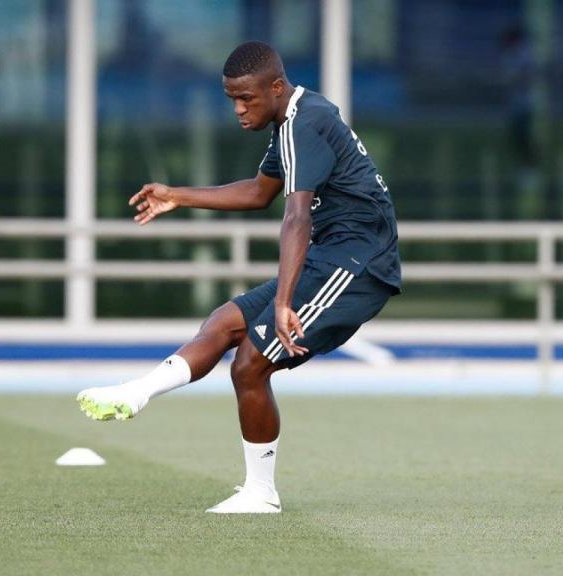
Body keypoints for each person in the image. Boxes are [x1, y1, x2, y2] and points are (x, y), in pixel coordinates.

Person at [77, 41, 401, 514]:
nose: (238, 109)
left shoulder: (304, 124)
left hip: (357, 264)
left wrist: (284, 301)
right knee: (224, 321)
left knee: (250, 364)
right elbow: (257, 193)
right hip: (329, 258)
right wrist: (178, 196)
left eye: (247, 98)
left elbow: (296, 218)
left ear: (275, 87)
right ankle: (138, 392)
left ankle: (261, 493)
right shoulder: (292, 120)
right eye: (232, 98)